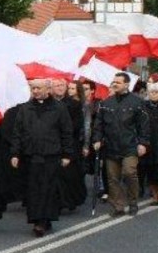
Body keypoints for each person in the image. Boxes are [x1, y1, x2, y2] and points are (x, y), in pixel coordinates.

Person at [11, 79, 73, 236]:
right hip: (31, 155)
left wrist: (67, 154)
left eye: (38, 88)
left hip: (51, 154)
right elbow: (17, 132)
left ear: (48, 89)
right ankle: (37, 219)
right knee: (33, 189)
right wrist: (15, 153)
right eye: (33, 88)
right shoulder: (25, 108)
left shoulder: (59, 108)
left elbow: (66, 132)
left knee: (48, 188)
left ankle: (43, 221)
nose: (35, 91)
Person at [93, 73, 150, 216]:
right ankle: (118, 206)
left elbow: (144, 125)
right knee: (113, 178)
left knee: (130, 173)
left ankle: (133, 201)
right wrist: (97, 139)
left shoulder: (137, 102)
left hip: (130, 146)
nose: (114, 84)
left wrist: (143, 143)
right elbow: (98, 125)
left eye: (118, 82)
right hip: (111, 146)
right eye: (114, 82)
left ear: (126, 84)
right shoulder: (106, 103)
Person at [52, 78, 86, 211]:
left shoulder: (74, 104)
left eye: (62, 85)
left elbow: (78, 125)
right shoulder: (49, 103)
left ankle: (70, 200)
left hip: (70, 143)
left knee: (70, 174)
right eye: (57, 85)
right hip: (53, 144)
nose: (60, 88)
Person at [139, 82, 158, 204]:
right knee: (150, 170)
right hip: (148, 142)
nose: (153, 94)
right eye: (151, 92)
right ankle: (155, 195)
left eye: (156, 92)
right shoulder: (143, 107)